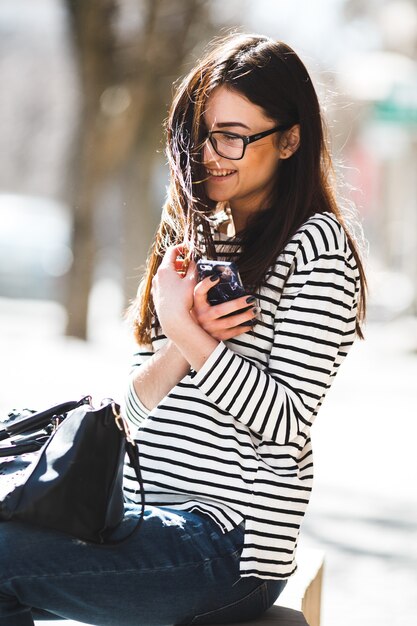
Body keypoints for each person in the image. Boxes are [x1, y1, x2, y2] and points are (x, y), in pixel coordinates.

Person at [0, 33, 367, 626]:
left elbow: (287, 421)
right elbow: (132, 410)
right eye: (202, 134)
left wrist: (189, 334)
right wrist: (176, 345)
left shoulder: (318, 249)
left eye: (232, 136)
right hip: (142, 514)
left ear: (291, 140)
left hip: (227, 547)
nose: (210, 153)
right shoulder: (202, 240)